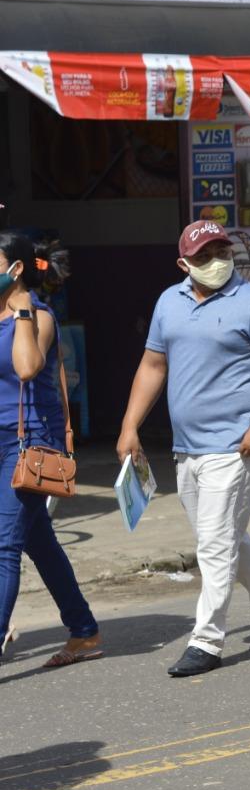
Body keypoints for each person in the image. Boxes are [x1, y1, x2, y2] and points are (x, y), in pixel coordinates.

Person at [118, 221, 250, 677]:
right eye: (204, 256)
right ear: (184, 264)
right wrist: (130, 426)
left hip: (236, 447)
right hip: (188, 449)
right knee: (219, 537)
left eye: (222, 250)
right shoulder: (170, 301)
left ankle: (206, 641)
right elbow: (152, 364)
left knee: (215, 545)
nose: (217, 261)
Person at [0, 234, 101, 669]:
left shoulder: (36, 316)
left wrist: (22, 306)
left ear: (16, 269)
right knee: (37, 541)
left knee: (4, 545)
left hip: (28, 443)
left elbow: (26, 367)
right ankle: (84, 630)